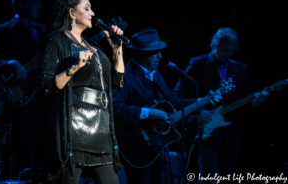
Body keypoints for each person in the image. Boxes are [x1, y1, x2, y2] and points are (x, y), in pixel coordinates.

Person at [112, 29, 222, 184]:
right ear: (140, 54)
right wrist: (149, 112)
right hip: (136, 146)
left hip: (159, 146)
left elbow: (172, 103)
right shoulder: (124, 74)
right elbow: (116, 108)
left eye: (160, 52)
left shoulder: (156, 75)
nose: (160, 56)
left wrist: (203, 100)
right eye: (154, 52)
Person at [39, 0, 124, 184]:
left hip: (101, 128)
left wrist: (117, 50)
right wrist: (74, 68)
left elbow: (117, 82)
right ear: (71, 13)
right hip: (73, 128)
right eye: (87, 8)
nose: (93, 13)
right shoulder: (56, 41)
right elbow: (45, 86)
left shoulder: (93, 45)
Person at [173, 27, 268, 183]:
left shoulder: (241, 68)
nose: (228, 55)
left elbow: (244, 103)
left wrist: (256, 102)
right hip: (207, 132)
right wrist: (195, 115)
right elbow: (176, 96)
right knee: (208, 178)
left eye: (231, 51)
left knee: (228, 178)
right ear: (214, 45)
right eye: (224, 50)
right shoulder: (198, 64)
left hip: (232, 134)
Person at [0, 0, 45, 179]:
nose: (39, 6)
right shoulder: (5, 29)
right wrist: (11, 63)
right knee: (23, 150)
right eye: (34, 2)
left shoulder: (42, 29)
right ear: (22, 4)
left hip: (43, 97)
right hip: (21, 100)